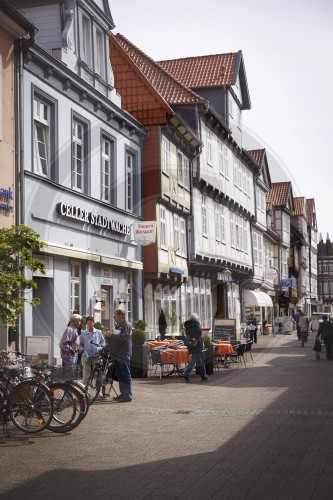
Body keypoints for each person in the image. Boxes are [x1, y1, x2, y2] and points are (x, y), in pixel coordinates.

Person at [108, 309, 132, 402]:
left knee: (125, 374)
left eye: (115, 315)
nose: (114, 317)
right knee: (120, 375)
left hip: (123, 354)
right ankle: (123, 393)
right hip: (117, 354)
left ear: (121, 316)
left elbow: (123, 338)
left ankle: (127, 395)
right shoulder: (118, 325)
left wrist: (111, 335)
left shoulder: (126, 325)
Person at [80, 316, 105, 386]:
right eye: (88, 323)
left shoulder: (98, 332)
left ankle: (98, 391)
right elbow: (80, 345)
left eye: (91, 323)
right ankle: (85, 391)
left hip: (96, 356)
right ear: (86, 324)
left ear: (93, 323)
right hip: (86, 357)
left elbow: (103, 343)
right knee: (86, 375)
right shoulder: (83, 333)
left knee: (97, 375)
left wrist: (99, 349)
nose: (89, 324)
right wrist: (82, 350)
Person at [182, 313, 208, 383]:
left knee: (199, 361)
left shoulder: (187, 326)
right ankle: (186, 375)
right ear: (196, 318)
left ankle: (203, 376)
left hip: (191, 344)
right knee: (194, 361)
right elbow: (199, 333)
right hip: (197, 345)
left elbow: (188, 335)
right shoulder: (197, 324)